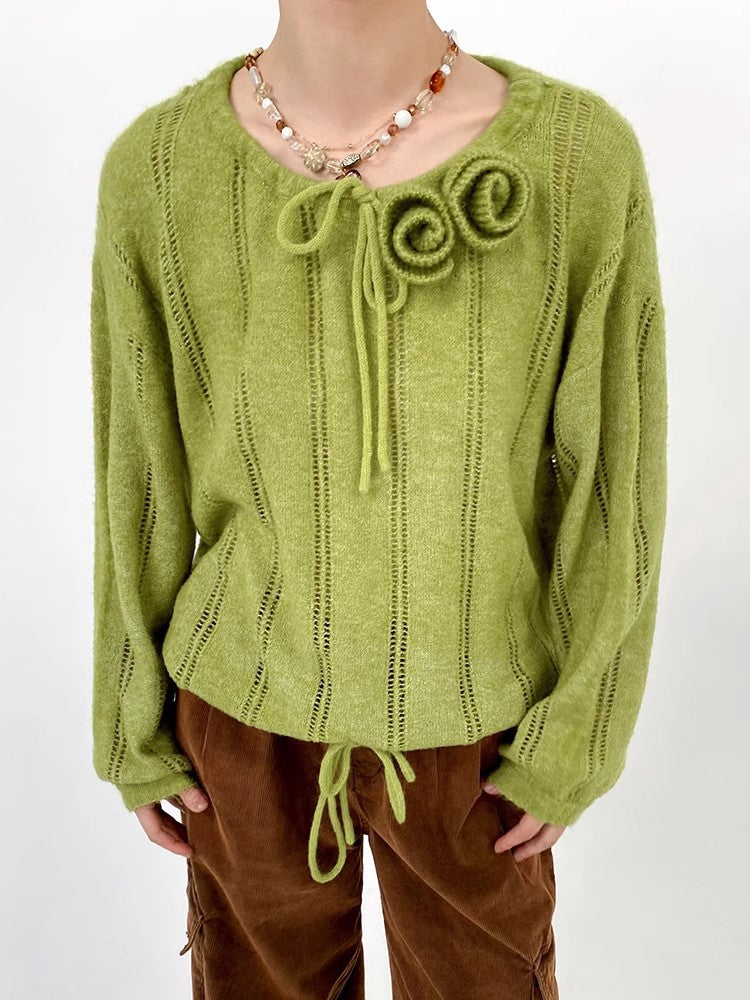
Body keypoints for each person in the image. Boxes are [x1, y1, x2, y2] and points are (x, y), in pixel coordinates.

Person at [88, 1, 668, 997]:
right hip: (240, 721)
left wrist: (580, 728)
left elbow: (616, 474)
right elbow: (137, 470)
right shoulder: (157, 171)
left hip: (480, 734)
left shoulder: (578, 161)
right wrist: (128, 717)